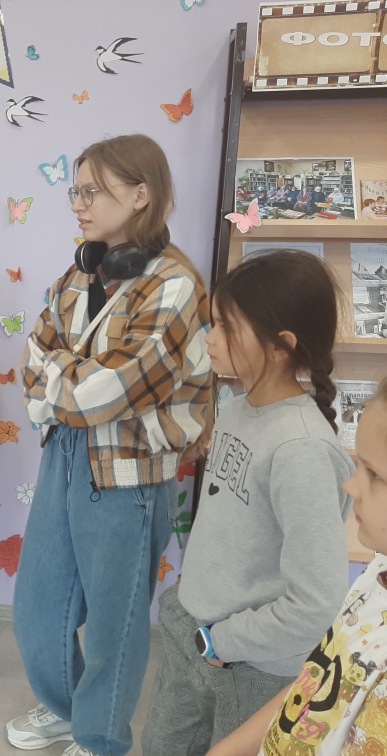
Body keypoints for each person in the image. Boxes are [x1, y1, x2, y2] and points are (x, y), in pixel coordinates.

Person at [7, 134, 214, 755]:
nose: (78, 204)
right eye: (75, 191)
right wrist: (70, 383)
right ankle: (68, 709)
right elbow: (31, 360)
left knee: (113, 626)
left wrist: (62, 382)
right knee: (38, 610)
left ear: (141, 194)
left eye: (92, 191)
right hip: (65, 455)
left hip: (131, 470)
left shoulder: (174, 284)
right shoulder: (80, 271)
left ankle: (100, 738)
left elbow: (112, 391)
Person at [142, 250, 354, 755]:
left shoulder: (302, 450)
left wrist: (224, 641)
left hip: (249, 666)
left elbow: (315, 603)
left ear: (281, 346)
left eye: (226, 327)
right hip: (194, 629)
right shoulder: (236, 409)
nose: (209, 339)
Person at [205, 376, 387, 756]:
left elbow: (310, 602)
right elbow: (318, 679)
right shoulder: (377, 573)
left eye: (375, 475)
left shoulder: (303, 446)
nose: (350, 486)